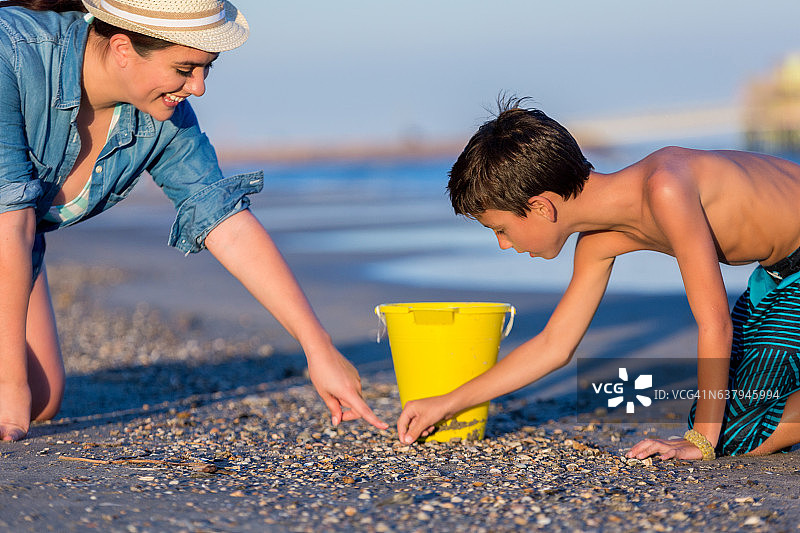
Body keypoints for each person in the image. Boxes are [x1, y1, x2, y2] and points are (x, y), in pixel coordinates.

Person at [0, 0, 387, 442]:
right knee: (15, 394)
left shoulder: (163, 118)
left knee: (43, 400)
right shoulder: (12, 53)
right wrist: (10, 385)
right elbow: (10, 222)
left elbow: (226, 223)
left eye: (207, 69)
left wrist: (318, 347)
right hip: (6, 231)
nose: (198, 88)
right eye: (185, 69)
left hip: (14, 242)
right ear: (123, 49)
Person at [396, 98, 800, 459]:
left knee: (731, 434)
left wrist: (701, 441)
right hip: (777, 278)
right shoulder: (598, 243)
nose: (503, 244)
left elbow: (714, 322)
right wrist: (447, 402)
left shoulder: (665, 187)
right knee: (726, 413)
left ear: (541, 208)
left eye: (500, 229)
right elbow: (554, 345)